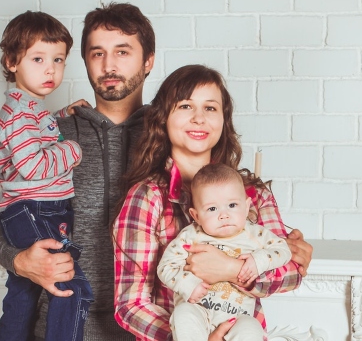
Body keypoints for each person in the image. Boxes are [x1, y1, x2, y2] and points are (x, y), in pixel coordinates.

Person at [0, 3, 156, 340]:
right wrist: (19, 261)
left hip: (147, 330)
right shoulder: (53, 130)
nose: (109, 65)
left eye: (122, 51)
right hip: (60, 328)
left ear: (147, 60)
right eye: (97, 53)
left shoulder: (170, 134)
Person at [113, 64, 312, 341]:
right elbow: (131, 304)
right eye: (185, 106)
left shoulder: (252, 194)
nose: (198, 118)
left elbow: (291, 273)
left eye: (210, 108)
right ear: (163, 119)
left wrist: (232, 269)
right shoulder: (147, 197)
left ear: (223, 120)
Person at [0, 11, 91, 341]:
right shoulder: (20, 114)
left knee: (22, 296)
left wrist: (63, 115)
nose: (50, 69)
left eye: (58, 59)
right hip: (34, 207)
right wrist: (73, 149)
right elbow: (32, 166)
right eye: (38, 58)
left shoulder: (30, 109)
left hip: (33, 207)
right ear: (12, 61)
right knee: (71, 287)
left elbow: (40, 134)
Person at [157, 163, 292, 340]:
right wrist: (188, 285)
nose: (224, 215)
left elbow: (283, 250)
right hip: (198, 309)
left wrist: (257, 261)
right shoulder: (190, 236)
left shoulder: (255, 233)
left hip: (237, 317)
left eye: (232, 205)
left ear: (246, 207)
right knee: (183, 314)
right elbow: (165, 266)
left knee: (252, 328)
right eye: (212, 209)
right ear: (196, 215)